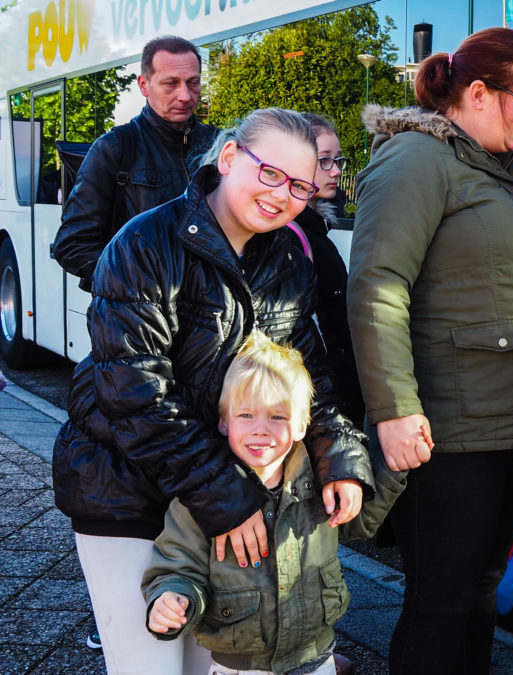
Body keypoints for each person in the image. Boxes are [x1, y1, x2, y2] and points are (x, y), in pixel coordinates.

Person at [52, 107, 373, 675]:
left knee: (224, 664)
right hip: (126, 491)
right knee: (147, 665)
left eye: (300, 185)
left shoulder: (288, 260)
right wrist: (226, 499)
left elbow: (307, 380)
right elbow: (133, 392)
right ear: (228, 158)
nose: (283, 195)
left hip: (227, 497)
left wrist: (340, 455)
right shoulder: (144, 244)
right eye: (270, 173)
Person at [347, 26, 513, 674]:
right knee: (442, 601)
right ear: (480, 93)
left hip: (511, 423)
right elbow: (377, 285)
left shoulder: (499, 166)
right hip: (452, 432)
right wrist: (395, 409)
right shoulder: (415, 161)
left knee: (480, 592)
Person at [142, 330, 407, 675]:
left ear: (301, 426)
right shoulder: (202, 497)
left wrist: (390, 470)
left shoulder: (319, 479)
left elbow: (359, 521)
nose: (261, 429)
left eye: (277, 417)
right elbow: (178, 565)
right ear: (224, 422)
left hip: (316, 657)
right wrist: (172, 599)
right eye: (246, 416)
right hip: (239, 667)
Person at [53, 35, 217, 292]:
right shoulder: (114, 148)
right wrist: (138, 283)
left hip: (210, 318)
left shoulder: (219, 146)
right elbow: (72, 246)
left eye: (193, 83)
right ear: (144, 85)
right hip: (138, 321)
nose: (185, 95)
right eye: (170, 84)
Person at [291, 113, 364, 426]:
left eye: (338, 160)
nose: (335, 171)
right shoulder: (294, 237)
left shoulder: (316, 229)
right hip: (320, 401)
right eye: (324, 160)